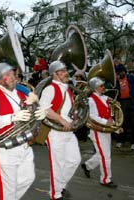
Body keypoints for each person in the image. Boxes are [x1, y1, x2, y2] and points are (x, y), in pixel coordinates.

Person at [0, 62, 47, 200]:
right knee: (8, 189)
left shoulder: (21, 93)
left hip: (24, 144)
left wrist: (39, 113)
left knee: (28, 179)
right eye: (7, 75)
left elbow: (30, 112)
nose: (13, 77)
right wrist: (12, 117)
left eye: (13, 74)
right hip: (5, 149)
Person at [39, 60, 81, 200]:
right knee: (58, 164)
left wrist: (74, 117)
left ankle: (60, 186)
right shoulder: (50, 88)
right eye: (61, 71)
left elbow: (67, 109)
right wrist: (62, 120)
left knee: (74, 160)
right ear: (54, 74)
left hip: (68, 131)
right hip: (55, 132)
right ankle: (55, 194)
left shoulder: (67, 88)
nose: (65, 73)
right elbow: (44, 108)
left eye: (65, 70)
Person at [81, 77, 119, 189]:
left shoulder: (105, 98)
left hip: (106, 130)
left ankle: (87, 166)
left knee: (103, 154)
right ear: (95, 88)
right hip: (98, 130)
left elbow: (108, 116)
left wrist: (116, 127)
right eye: (101, 86)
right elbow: (92, 116)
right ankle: (105, 179)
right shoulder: (91, 100)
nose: (104, 87)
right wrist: (105, 122)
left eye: (103, 85)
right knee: (105, 156)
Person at [114, 64, 134, 150]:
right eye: (118, 72)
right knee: (122, 122)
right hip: (122, 102)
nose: (120, 74)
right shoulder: (117, 81)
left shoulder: (132, 77)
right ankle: (121, 140)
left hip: (132, 102)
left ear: (124, 71)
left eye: (121, 72)